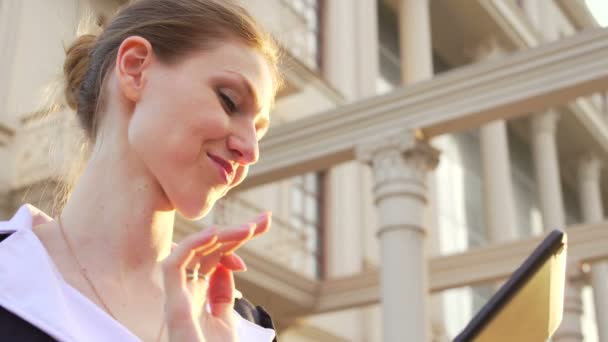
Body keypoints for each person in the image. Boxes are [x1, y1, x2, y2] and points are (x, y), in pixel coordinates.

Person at [0, 0, 281, 341]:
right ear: (135, 69)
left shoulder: (246, 329)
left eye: (259, 131)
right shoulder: (9, 272)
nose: (250, 151)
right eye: (229, 101)